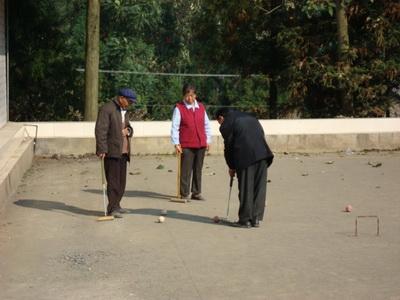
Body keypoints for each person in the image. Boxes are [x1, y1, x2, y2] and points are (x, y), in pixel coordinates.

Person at [215, 108, 274, 228]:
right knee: (259, 187)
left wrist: (231, 166)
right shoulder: (250, 117)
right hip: (263, 154)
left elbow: (229, 147)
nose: (220, 124)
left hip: (246, 156)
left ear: (221, 118)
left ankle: (245, 220)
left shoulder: (227, 124)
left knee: (246, 187)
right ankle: (255, 219)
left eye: (219, 122)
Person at [95, 88, 137, 218]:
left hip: (123, 151)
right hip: (112, 151)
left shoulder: (124, 111)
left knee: (121, 182)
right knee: (113, 182)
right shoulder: (107, 109)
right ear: (121, 98)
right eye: (129, 101)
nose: (130, 104)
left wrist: (129, 131)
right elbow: (100, 130)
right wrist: (101, 149)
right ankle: (112, 208)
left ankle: (117, 205)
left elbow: (129, 127)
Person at [171, 83, 212, 200]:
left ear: (195, 95)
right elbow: (175, 127)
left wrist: (208, 140)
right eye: (187, 96)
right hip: (186, 144)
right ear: (184, 96)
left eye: (192, 95)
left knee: (198, 169)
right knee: (186, 169)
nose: (190, 98)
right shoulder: (179, 108)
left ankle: (196, 192)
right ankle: (184, 193)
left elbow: (207, 125)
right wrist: (176, 143)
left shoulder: (201, 107)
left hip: (201, 143)